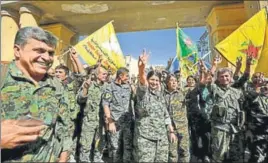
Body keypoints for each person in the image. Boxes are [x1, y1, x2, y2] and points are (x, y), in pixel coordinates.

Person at [1, 26, 69, 162]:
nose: (46, 58)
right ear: (17, 51)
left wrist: (64, 155)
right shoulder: (3, 77)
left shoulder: (56, 85)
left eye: (50, 53)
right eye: (39, 51)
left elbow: (64, 125)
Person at [133, 50, 176, 162]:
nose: (154, 82)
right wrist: (142, 67)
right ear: (148, 80)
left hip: (161, 138)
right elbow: (142, 80)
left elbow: (165, 114)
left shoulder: (160, 95)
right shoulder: (143, 92)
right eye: (152, 79)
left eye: (157, 80)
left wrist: (171, 131)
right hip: (146, 138)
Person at [200, 67, 245, 162]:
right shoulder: (214, 88)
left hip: (234, 128)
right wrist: (212, 67)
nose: (224, 78)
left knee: (234, 154)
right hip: (219, 128)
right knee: (219, 154)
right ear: (218, 78)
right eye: (221, 76)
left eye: (226, 76)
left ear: (231, 77)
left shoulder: (236, 92)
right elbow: (206, 83)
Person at [77, 66, 108, 162]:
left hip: (101, 122)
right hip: (89, 121)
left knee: (99, 145)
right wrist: (85, 88)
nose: (105, 76)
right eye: (103, 74)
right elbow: (80, 100)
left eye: (106, 74)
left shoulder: (107, 87)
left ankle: (97, 160)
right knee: (85, 145)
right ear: (96, 74)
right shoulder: (88, 84)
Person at [102, 67, 133, 162]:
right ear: (120, 76)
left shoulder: (128, 86)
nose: (128, 78)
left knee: (127, 147)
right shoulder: (110, 86)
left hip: (127, 123)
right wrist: (110, 121)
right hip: (115, 123)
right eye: (126, 76)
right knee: (116, 148)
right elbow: (105, 104)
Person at [164, 74, 190, 163]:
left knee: (184, 151)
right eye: (171, 80)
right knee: (172, 153)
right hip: (170, 129)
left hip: (183, 127)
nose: (174, 82)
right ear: (167, 82)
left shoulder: (183, 92)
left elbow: (197, 87)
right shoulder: (162, 95)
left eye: (175, 80)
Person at [244, 80, 268, 163]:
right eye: (264, 87)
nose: (266, 89)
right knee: (257, 157)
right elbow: (246, 105)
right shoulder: (254, 98)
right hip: (257, 133)